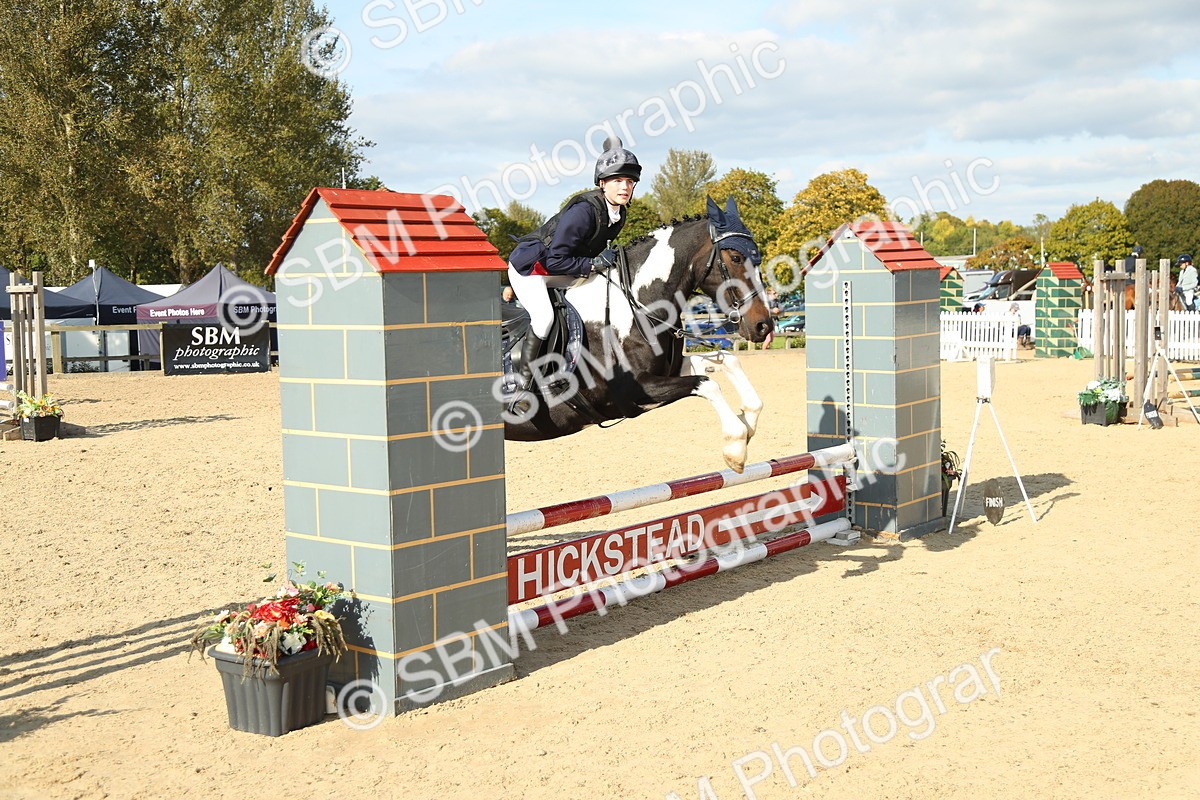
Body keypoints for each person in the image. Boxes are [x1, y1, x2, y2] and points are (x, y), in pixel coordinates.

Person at [505, 135, 641, 408]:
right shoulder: (584, 211)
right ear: (602, 184)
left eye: (629, 181)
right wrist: (591, 265)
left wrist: (598, 265)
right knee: (543, 318)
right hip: (532, 269)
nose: (624, 187)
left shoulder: (618, 214)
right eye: (617, 181)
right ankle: (524, 384)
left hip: (560, 269)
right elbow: (556, 259)